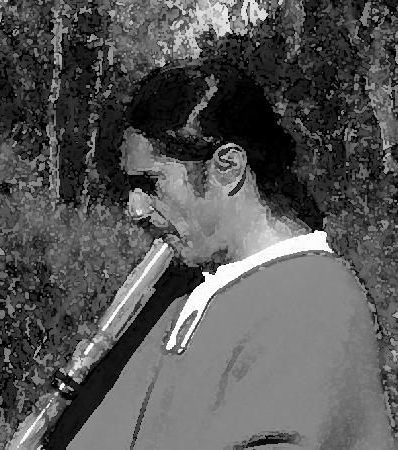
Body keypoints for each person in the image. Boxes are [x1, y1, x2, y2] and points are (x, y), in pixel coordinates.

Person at [66, 58, 395, 449]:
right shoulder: (181, 289)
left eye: (150, 184)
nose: (135, 209)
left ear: (229, 166)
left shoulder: (314, 301)